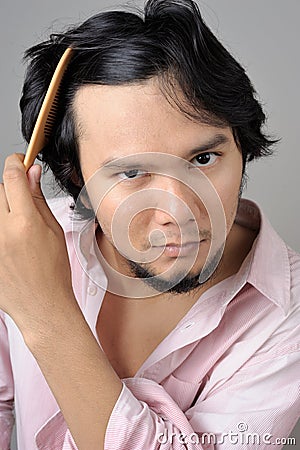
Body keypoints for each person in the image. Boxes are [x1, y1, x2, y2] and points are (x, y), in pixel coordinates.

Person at [0, 0, 299, 448]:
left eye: (203, 159)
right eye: (132, 172)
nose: (177, 209)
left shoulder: (288, 317)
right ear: (76, 174)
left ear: (242, 148)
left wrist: (44, 314)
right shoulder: (20, 245)